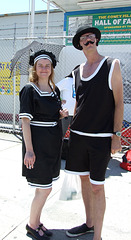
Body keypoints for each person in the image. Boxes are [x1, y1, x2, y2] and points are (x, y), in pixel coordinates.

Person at [65, 25, 124, 240]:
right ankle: (89, 224)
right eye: (83, 38)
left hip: (101, 138)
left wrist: (116, 135)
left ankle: (97, 236)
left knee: (97, 187)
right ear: (79, 44)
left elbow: (119, 103)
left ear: (96, 40)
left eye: (91, 36)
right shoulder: (77, 71)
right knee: (83, 182)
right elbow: (77, 101)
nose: (88, 39)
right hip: (78, 136)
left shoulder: (111, 65)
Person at [19, 50, 68, 240]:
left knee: (45, 186)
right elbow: (25, 122)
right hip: (38, 145)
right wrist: (29, 150)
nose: (44, 69)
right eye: (40, 65)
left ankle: (37, 222)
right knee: (44, 188)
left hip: (52, 144)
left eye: (47, 65)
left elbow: (51, 114)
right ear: (35, 68)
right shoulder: (29, 90)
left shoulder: (54, 89)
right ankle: (32, 225)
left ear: (52, 68)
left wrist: (61, 114)